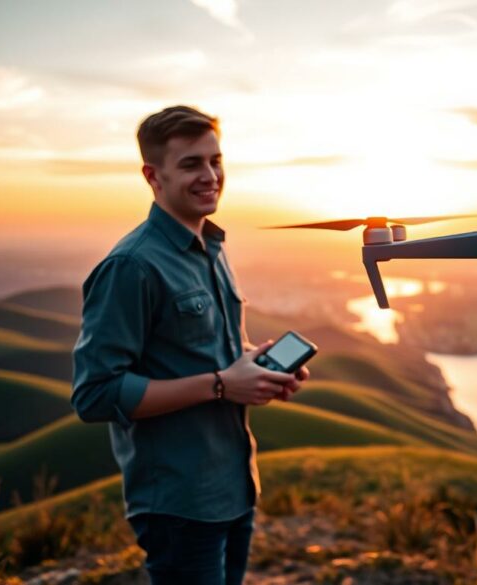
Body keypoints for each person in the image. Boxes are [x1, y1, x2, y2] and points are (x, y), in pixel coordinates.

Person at [71, 105, 308, 585]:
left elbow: (210, 354)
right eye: (191, 164)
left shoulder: (211, 247)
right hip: (179, 504)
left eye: (216, 160)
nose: (210, 175)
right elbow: (95, 394)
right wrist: (223, 385)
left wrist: (254, 370)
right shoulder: (132, 267)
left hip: (234, 487)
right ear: (152, 176)